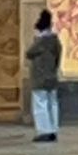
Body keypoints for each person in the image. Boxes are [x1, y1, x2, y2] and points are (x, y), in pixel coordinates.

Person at [26, 8, 62, 141]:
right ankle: (53, 129)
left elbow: (29, 53)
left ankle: (44, 131)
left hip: (39, 77)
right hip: (52, 75)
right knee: (53, 103)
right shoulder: (55, 41)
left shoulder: (40, 42)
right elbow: (58, 58)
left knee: (40, 103)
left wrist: (36, 39)